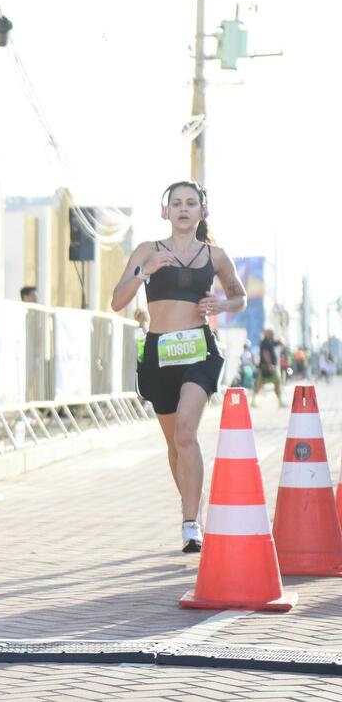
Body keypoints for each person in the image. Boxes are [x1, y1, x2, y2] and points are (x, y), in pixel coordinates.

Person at [112, 181, 246, 553]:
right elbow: (116, 300)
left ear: (203, 210)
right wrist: (145, 271)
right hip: (159, 354)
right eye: (176, 203)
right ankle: (192, 502)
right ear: (165, 211)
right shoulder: (146, 250)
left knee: (187, 433)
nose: (183, 209)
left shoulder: (215, 256)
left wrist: (222, 305)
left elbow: (240, 297)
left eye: (190, 203)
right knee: (174, 443)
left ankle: (191, 523)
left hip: (199, 352)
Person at [254, 328, 284, 406]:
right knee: (260, 384)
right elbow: (265, 354)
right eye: (271, 333)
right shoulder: (265, 343)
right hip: (266, 367)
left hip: (268, 366)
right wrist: (269, 365)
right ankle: (253, 401)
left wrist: (281, 339)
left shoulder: (270, 342)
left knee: (276, 383)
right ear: (267, 334)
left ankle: (280, 401)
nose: (272, 335)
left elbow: (281, 344)